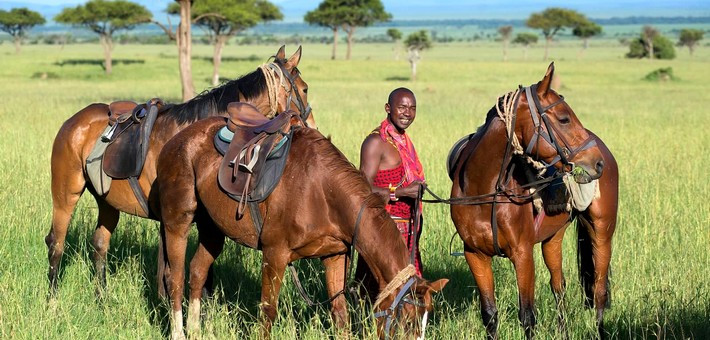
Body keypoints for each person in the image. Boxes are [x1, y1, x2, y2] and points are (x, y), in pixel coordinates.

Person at [355, 88, 425, 297]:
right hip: (382, 226)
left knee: (405, 287)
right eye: (402, 107)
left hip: (407, 225)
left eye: (412, 108)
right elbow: (362, 190)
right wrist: (401, 191)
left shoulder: (403, 141)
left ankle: (402, 328)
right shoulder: (376, 143)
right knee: (384, 288)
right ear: (388, 108)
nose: (408, 113)